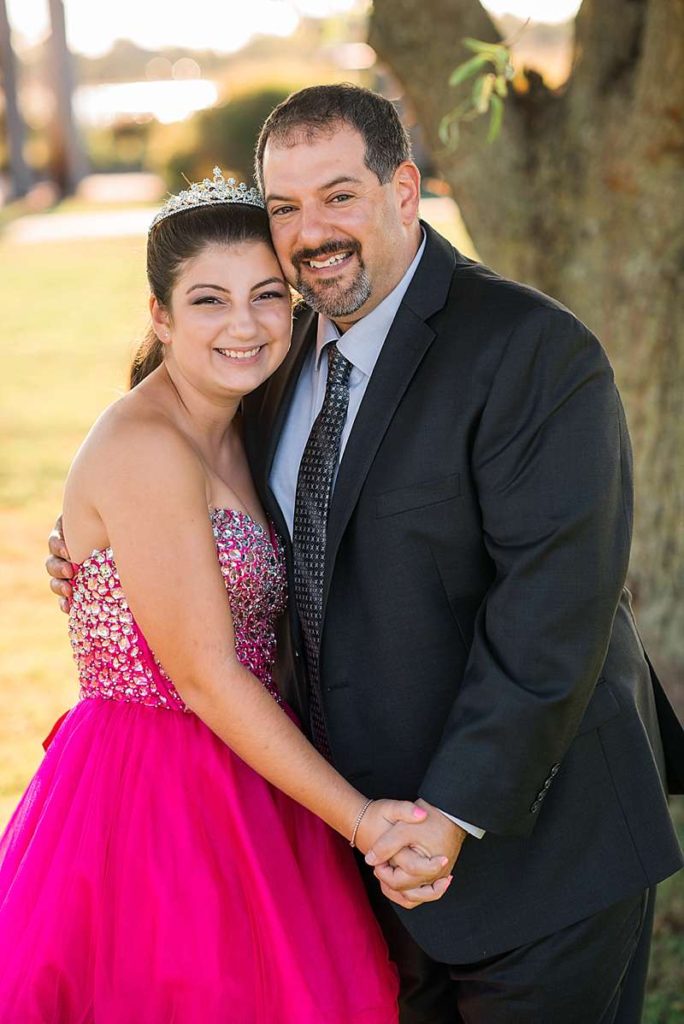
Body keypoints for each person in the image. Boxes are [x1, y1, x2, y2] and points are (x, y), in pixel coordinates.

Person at [46, 86, 684, 1023]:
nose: (312, 232)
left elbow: (556, 607)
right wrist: (93, 550)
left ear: (404, 189)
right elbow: (205, 517)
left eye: (339, 195)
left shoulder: (531, 349)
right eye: (285, 208)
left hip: (537, 852)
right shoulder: (278, 355)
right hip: (349, 858)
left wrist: (449, 818)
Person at [0, 171, 427, 1023]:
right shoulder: (146, 445)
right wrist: (366, 823)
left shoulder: (249, 419)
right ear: (159, 316)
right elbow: (202, 675)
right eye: (207, 300)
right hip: (152, 804)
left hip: (256, 777)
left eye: (268, 295)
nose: (244, 324)